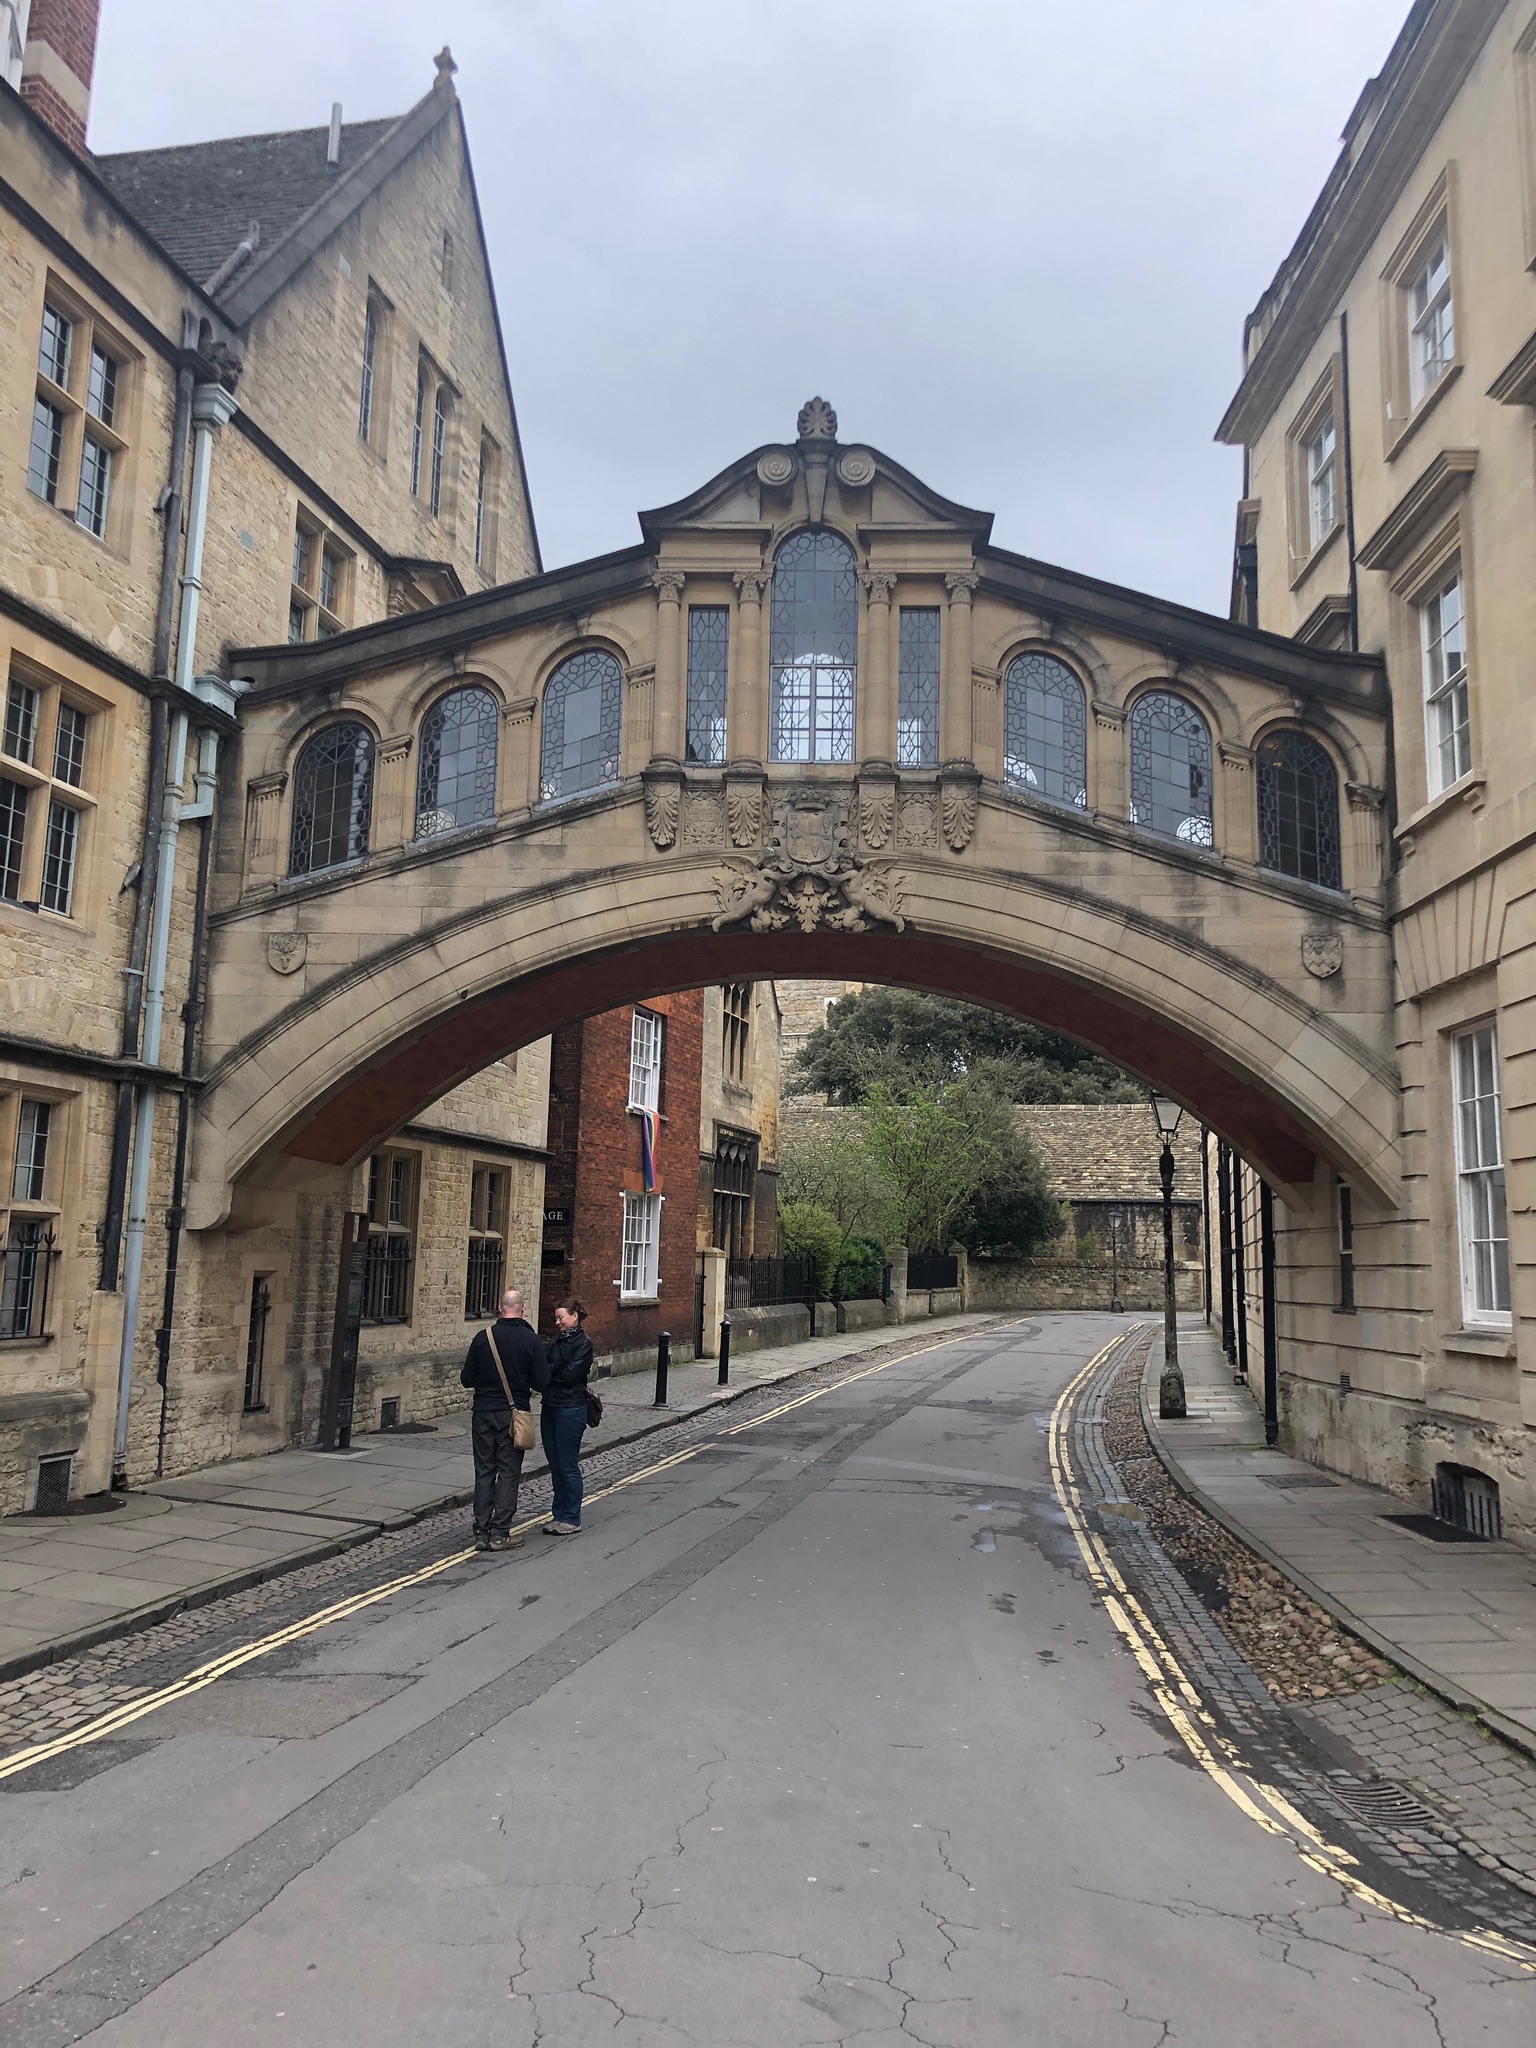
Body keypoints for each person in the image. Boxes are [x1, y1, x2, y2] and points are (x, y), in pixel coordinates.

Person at [460, 1286, 548, 1552]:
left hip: (483, 1413)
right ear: (522, 1309)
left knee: (484, 1471)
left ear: (500, 1308)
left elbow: (467, 1379)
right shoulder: (531, 1341)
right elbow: (542, 1382)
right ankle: (500, 1533)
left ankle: (481, 1531)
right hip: (513, 1415)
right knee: (508, 1473)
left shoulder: (482, 1337)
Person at [541, 1297, 593, 1535]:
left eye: (561, 1317)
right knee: (555, 1465)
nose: (557, 1322)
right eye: (556, 1318)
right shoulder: (556, 1340)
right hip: (551, 1405)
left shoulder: (584, 1343)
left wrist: (550, 1372)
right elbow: (542, 1366)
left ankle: (571, 1518)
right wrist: (551, 1371)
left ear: (574, 1316)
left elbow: (569, 1375)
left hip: (571, 1408)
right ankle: (559, 1514)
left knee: (567, 1464)